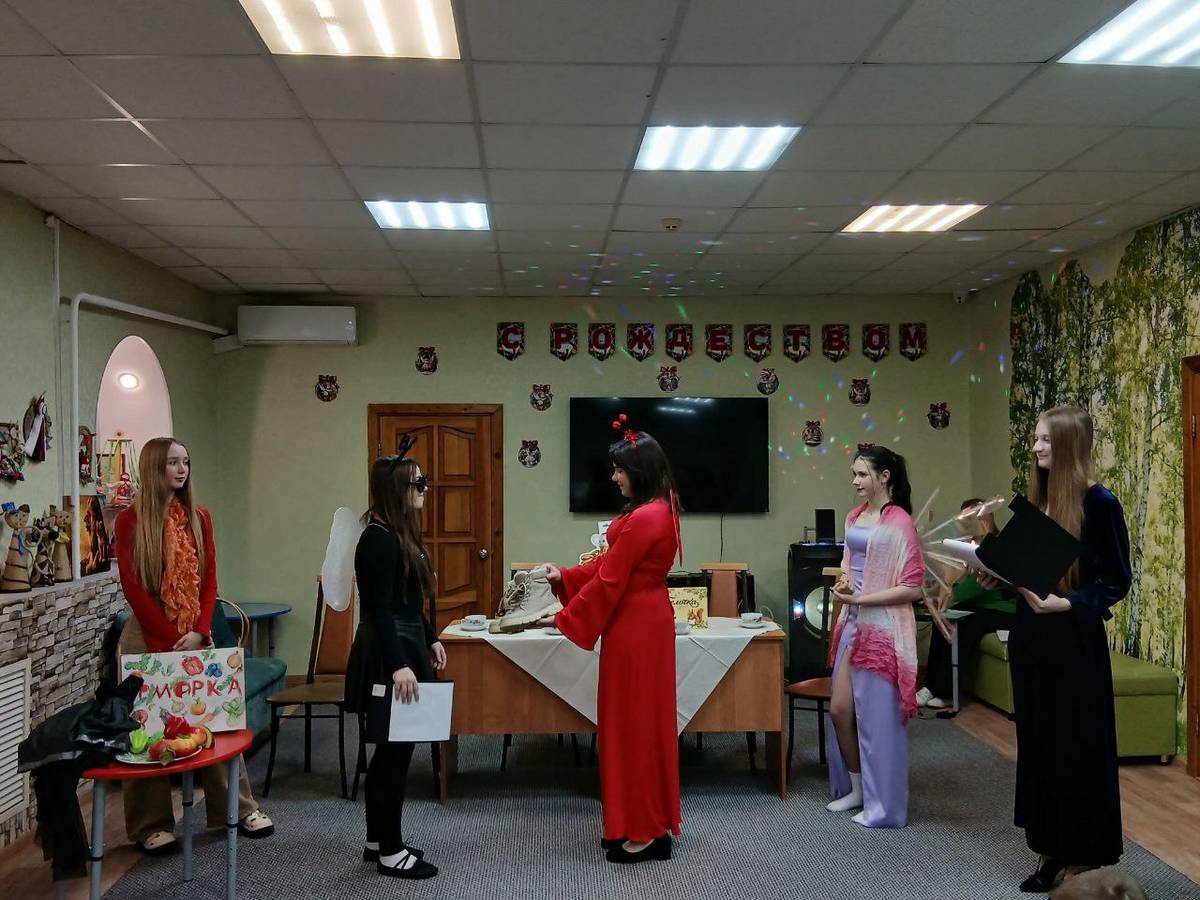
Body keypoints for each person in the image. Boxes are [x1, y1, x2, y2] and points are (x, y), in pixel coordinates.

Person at [977, 406, 1130, 892]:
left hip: (1074, 646)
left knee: (1076, 749)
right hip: (1032, 641)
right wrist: (995, 573)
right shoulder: (1038, 501)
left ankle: (1082, 855)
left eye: (1045, 439)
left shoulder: (1100, 503)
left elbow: (1115, 581)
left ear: (1068, 444)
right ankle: (1049, 849)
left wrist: (1066, 603)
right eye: (1036, 439)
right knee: (1040, 747)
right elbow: (1025, 573)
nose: (1037, 447)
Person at [114, 437, 273, 855]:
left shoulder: (200, 518)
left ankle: (238, 808)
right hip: (147, 638)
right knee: (145, 729)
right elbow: (133, 589)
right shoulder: (129, 522)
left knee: (218, 719)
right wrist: (170, 641)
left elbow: (211, 581)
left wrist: (201, 631)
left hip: (196, 635)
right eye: (172, 462)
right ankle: (151, 825)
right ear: (154, 468)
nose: (182, 469)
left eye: (185, 461)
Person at [539, 427, 682, 864]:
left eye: (620, 470)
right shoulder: (657, 510)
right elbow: (609, 567)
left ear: (639, 470)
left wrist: (564, 617)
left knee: (634, 727)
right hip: (638, 621)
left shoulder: (646, 517)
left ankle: (646, 830)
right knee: (632, 724)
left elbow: (610, 579)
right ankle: (633, 823)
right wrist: (565, 577)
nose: (614, 477)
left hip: (636, 627)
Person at [344, 449, 445, 879]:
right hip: (389, 654)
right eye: (418, 483)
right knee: (393, 755)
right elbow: (380, 611)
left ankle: (376, 840)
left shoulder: (393, 534)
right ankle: (390, 851)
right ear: (396, 489)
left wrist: (430, 636)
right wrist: (399, 665)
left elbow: (407, 602)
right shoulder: (378, 540)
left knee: (392, 751)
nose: (425, 489)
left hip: (402, 645)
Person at [826, 444, 924, 828]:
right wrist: (845, 585)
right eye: (853, 474)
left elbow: (912, 587)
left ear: (885, 477)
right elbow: (847, 565)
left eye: (862, 474)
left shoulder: (900, 522)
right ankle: (857, 788)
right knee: (840, 710)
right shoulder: (853, 517)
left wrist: (862, 598)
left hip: (883, 629)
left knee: (878, 720)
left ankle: (883, 805)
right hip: (853, 623)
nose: (855, 481)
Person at [916, 498, 1017, 710]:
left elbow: (974, 588)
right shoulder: (968, 547)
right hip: (979, 606)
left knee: (965, 623)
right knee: (943, 620)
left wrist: (948, 598)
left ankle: (946, 691)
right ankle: (931, 685)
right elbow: (954, 581)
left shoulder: (997, 545)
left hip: (1003, 610)